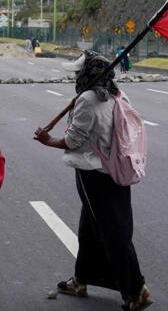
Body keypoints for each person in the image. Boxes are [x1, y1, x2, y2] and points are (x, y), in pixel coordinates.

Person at [34, 51, 152, 310]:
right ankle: (81, 279)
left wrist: (47, 140)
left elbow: (73, 140)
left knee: (113, 231)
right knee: (90, 226)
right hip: (115, 171)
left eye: (79, 72)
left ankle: (136, 290)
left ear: (88, 74)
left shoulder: (88, 99)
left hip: (95, 175)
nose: (76, 76)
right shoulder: (117, 94)